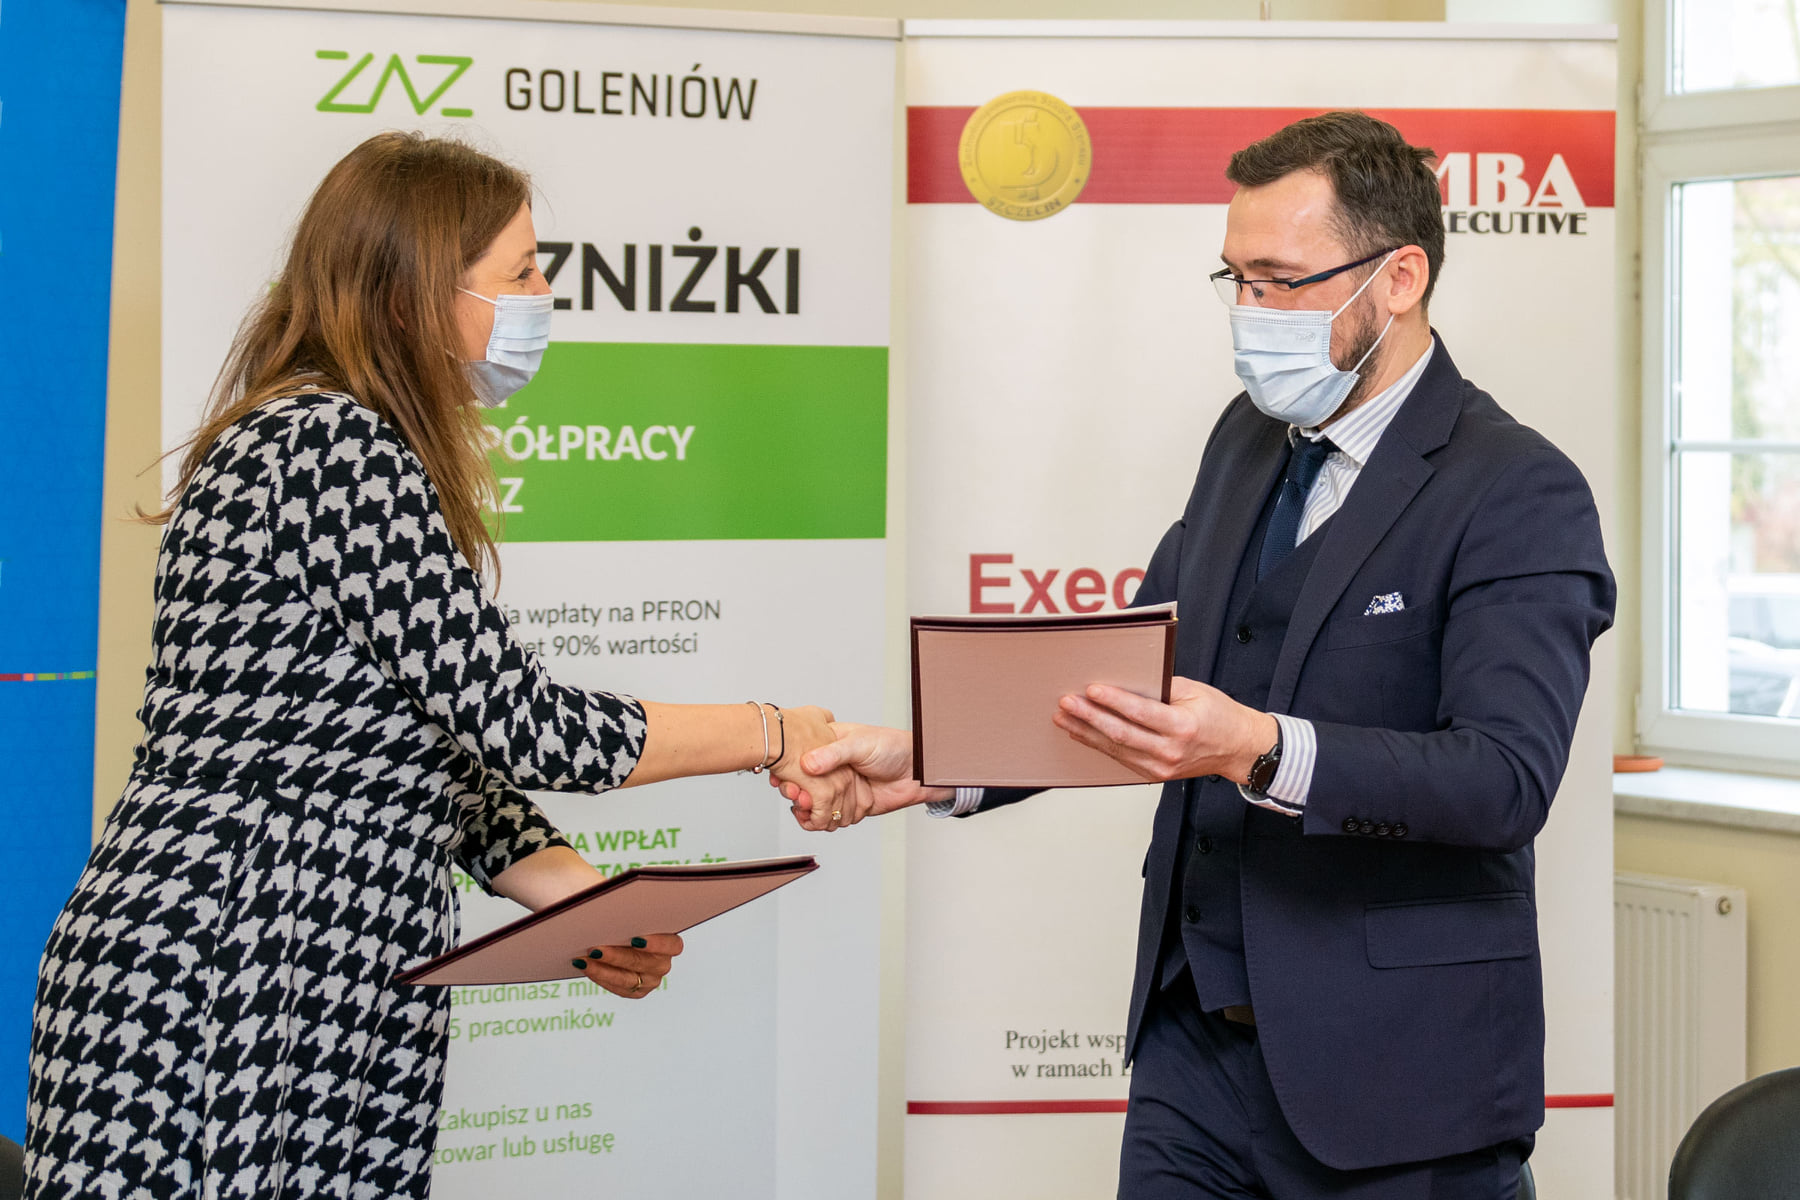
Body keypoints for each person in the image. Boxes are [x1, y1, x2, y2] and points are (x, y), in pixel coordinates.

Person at [786, 111, 1615, 1199]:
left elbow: (1503, 780)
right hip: (1194, 1055)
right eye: (1236, 280)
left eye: (1282, 282)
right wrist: (936, 758)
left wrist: (1257, 749)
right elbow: (1124, 680)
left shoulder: (1518, 489)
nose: (1250, 313)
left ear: (1401, 277)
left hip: (1396, 1078)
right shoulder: (1245, 439)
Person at [24, 132, 864, 1200]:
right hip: (233, 954)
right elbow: (525, 723)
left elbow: (427, 760)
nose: (544, 296)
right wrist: (774, 731)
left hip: (319, 964)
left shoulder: (345, 445)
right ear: (415, 296)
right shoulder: (330, 447)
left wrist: (585, 908)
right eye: (521, 272)